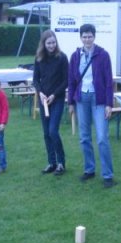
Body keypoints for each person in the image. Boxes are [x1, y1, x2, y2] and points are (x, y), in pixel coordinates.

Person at [67, 23, 116, 188]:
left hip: (99, 99)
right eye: (84, 36)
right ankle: (89, 170)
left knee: (102, 138)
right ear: (80, 38)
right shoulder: (75, 56)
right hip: (82, 99)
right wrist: (71, 102)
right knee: (84, 137)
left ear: (94, 37)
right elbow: (72, 81)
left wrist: (109, 104)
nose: (87, 39)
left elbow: (109, 81)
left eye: (90, 36)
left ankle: (108, 175)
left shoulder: (103, 55)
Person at [33, 30, 69, 176]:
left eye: (53, 42)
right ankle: (52, 163)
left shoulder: (62, 58)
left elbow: (66, 80)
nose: (51, 45)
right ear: (43, 43)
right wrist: (40, 93)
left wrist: (54, 95)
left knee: (53, 130)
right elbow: (36, 79)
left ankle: (61, 163)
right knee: (46, 133)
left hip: (57, 99)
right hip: (44, 100)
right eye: (48, 43)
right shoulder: (39, 58)